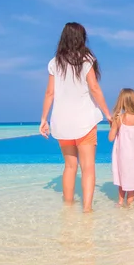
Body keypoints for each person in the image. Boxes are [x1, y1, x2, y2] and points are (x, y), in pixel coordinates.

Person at [39, 22, 112, 213]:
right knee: (87, 168)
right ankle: (87, 210)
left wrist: (43, 119)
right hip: (85, 121)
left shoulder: (55, 62)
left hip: (61, 123)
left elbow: (49, 93)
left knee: (70, 167)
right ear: (81, 38)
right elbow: (94, 88)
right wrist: (107, 113)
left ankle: (68, 208)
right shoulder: (86, 59)